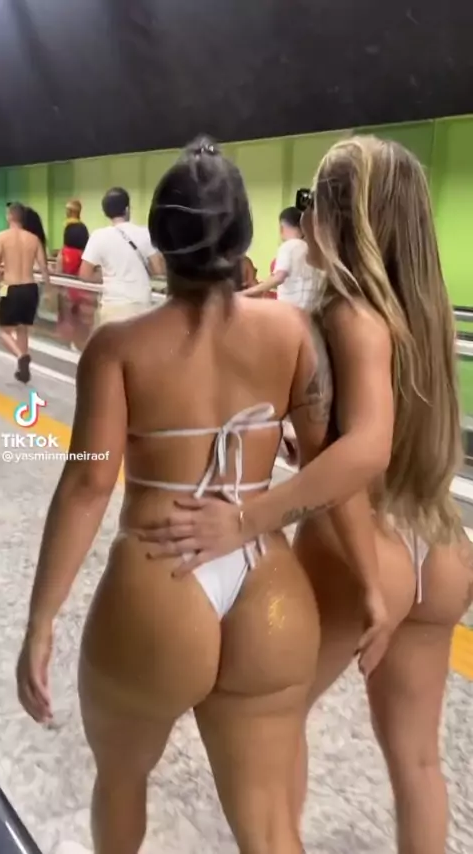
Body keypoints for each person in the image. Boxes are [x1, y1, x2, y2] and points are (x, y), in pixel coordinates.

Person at [16, 138, 358, 854]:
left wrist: (41, 620)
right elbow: (329, 469)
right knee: (269, 826)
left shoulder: (119, 348)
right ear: (244, 241)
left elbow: (88, 482)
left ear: (161, 244)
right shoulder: (292, 332)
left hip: (158, 577)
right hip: (267, 581)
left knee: (121, 783)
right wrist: (371, 581)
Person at [144, 136, 473, 854]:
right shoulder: (426, 312)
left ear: (341, 216)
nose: (307, 217)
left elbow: (368, 447)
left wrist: (250, 516)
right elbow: (384, 431)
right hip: (441, 546)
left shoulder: (350, 312)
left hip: (365, 545)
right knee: (419, 762)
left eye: (312, 202)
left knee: (272, 720)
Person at [79, 187, 163, 324]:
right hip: (140, 307)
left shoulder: (98, 236)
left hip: (112, 307)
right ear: (127, 209)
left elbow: (84, 274)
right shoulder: (144, 233)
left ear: (106, 212)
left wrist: (106, 276)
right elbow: (158, 269)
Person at [0, 202, 50, 382]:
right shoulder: (34, 239)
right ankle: (23, 371)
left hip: (9, 287)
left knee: (3, 331)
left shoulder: (1, 237)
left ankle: (21, 356)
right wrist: (49, 288)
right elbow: (44, 268)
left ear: (9, 216)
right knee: (22, 328)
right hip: (30, 288)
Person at [243, 207, 322, 308]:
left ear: (281, 228)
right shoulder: (312, 249)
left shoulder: (288, 247)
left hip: (290, 310)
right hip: (312, 310)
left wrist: (247, 292)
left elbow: (279, 277)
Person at [56, 219, 94, 351]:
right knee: (84, 323)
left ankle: (71, 345)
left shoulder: (63, 253)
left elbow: (59, 273)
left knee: (69, 320)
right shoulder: (87, 254)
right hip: (84, 294)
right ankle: (83, 346)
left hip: (67, 294)